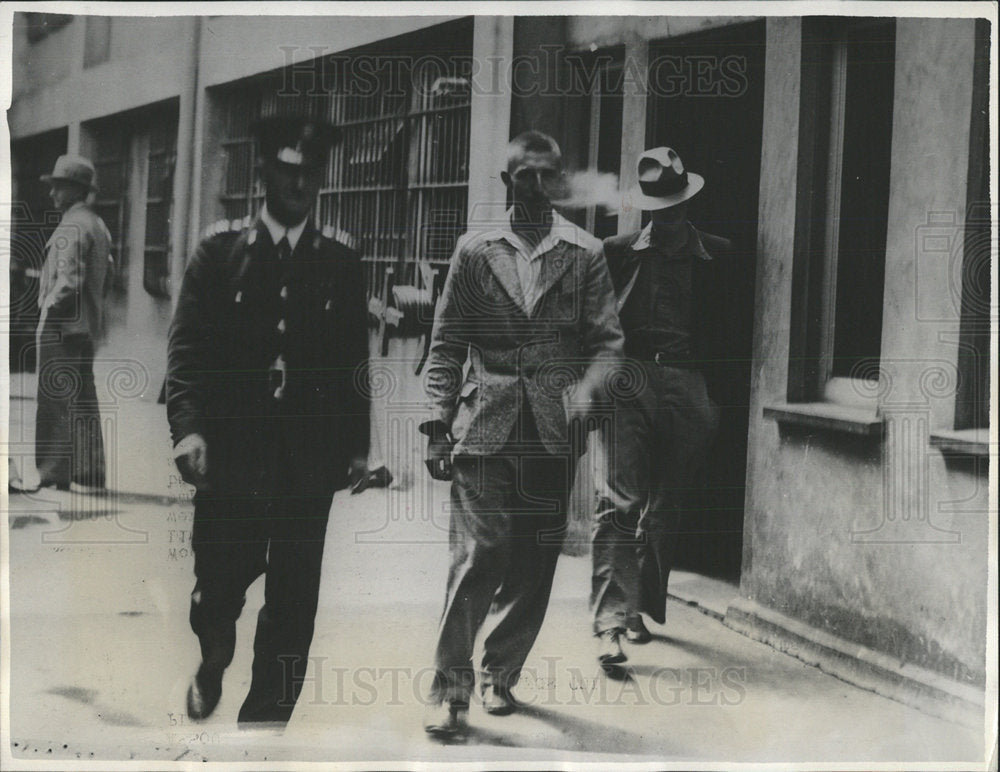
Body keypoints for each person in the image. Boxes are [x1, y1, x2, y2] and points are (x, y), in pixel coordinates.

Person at [166, 114, 370, 728]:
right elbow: (186, 351)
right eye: (288, 171)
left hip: (308, 461)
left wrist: (360, 446)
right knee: (219, 588)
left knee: (294, 600)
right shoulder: (218, 251)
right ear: (263, 173)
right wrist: (189, 428)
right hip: (230, 456)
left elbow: (352, 361)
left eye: (311, 172)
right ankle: (214, 653)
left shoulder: (339, 258)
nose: (300, 183)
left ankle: (263, 726)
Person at [421, 130, 624, 737]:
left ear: (558, 182)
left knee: (534, 563)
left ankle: (499, 674)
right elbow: (447, 344)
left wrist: (586, 394)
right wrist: (437, 423)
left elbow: (608, 345)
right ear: (506, 181)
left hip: (553, 432)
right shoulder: (475, 251)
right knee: (479, 554)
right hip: (484, 426)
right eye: (524, 175)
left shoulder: (585, 253)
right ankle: (449, 687)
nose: (536, 186)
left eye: (546, 175)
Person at [591, 146, 737, 665]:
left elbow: (736, 330)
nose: (667, 217)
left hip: (689, 382)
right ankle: (610, 623)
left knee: (665, 506)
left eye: (675, 207)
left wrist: (713, 399)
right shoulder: (618, 250)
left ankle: (638, 607)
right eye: (658, 209)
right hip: (629, 379)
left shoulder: (718, 254)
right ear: (646, 208)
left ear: (687, 204)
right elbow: (595, 320)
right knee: (620, 503)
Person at [31, 155, 112, 493]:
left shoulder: (72, 225)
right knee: (83, 398)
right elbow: (106, 275)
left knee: (54, 399)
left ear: (74, 190)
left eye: (58, 187)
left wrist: (48, 309)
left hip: (61, 326)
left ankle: (52, 472)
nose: (52, 195)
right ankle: (90, 472)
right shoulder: (97, 224)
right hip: (85, 327)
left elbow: (70, 280)